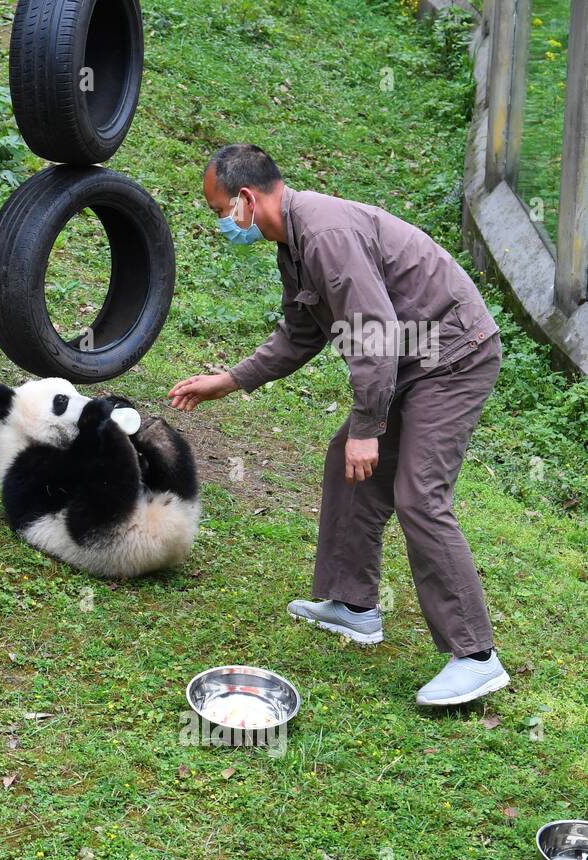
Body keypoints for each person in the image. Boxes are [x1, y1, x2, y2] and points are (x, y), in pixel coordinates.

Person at [170, 144, 508, 707]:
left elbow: (372, 330)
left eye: (220, 211)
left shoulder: (325, 235)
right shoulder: (295, 243)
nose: (221, 225)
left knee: (420, 494)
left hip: (454, 355)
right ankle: (354, 606)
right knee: (346, 466)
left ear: (247, 199)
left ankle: (475, 657)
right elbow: (302, 331)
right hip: (412, 355)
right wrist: (229, 380)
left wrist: (366, 425)